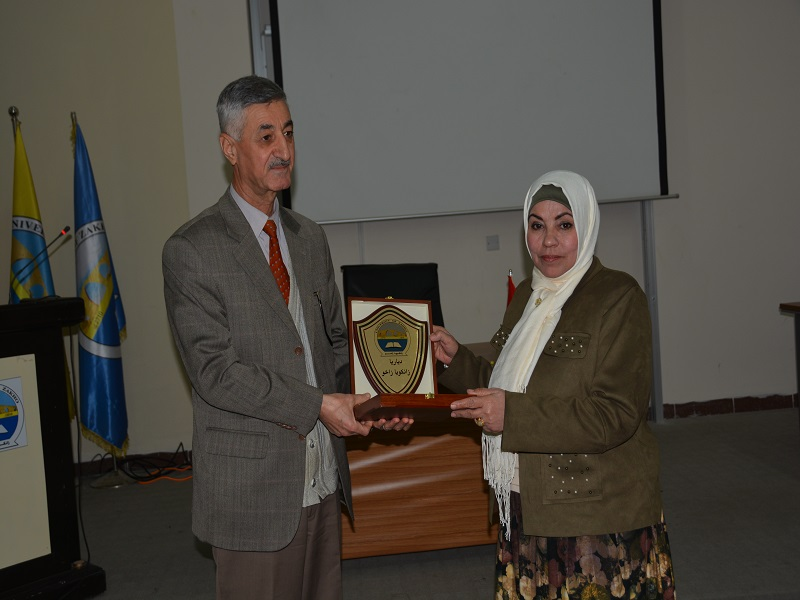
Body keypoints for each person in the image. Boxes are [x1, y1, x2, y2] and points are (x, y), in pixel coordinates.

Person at [162, 75, 410, 600]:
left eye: (289, 133)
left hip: (322, 480)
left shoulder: (309, 237)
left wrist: (378, 396)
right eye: (266, 136)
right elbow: (215, 374)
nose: (284, 150)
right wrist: (318, 404)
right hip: (253, 494)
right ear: (230, 148)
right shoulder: (192, 249)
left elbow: (334, 344)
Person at [430, 170, 676, 599]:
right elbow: (511, 385)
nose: (548, 241)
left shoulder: (618, 297)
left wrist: (512, 415)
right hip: (526, 503)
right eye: (536, 225)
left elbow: (615, 414)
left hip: (595, 518)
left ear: (587, 225)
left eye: (564, 224)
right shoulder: (529, 295)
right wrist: (457, 361)